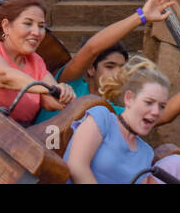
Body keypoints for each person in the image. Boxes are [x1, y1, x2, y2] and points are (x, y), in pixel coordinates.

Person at [34, 0, 179, 124]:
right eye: (109, 66)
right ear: (91, 68)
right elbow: (91, 49)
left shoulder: (109, 110)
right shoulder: (70, 84)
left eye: (122, 67)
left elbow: (163, 116)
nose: (117, 73)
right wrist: (141, 16)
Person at [0, 0, 76, 122]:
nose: (36, 32)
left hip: (13, 135)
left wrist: (63, 93)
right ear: (6, 26)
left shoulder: (36, 61)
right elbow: (3, 76)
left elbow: (51, 100)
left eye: (41, 26)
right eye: (28, 23)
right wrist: (49, 89)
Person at [63, 56, 172, 184]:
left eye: (162, 106)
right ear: (129, 98)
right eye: (149, 102)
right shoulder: (102, 118)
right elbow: (76, 166)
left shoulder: (146, 152)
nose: (156, 112)